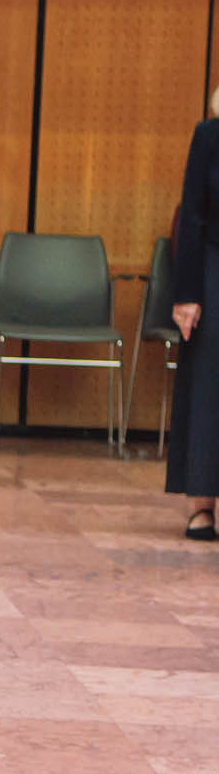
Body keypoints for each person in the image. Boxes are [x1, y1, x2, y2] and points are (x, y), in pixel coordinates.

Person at [169, 85, 219, 538]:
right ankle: (203, 504)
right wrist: (186, 294)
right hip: (213, 268)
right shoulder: (209, 136)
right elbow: (192, 215)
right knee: (208, 382)